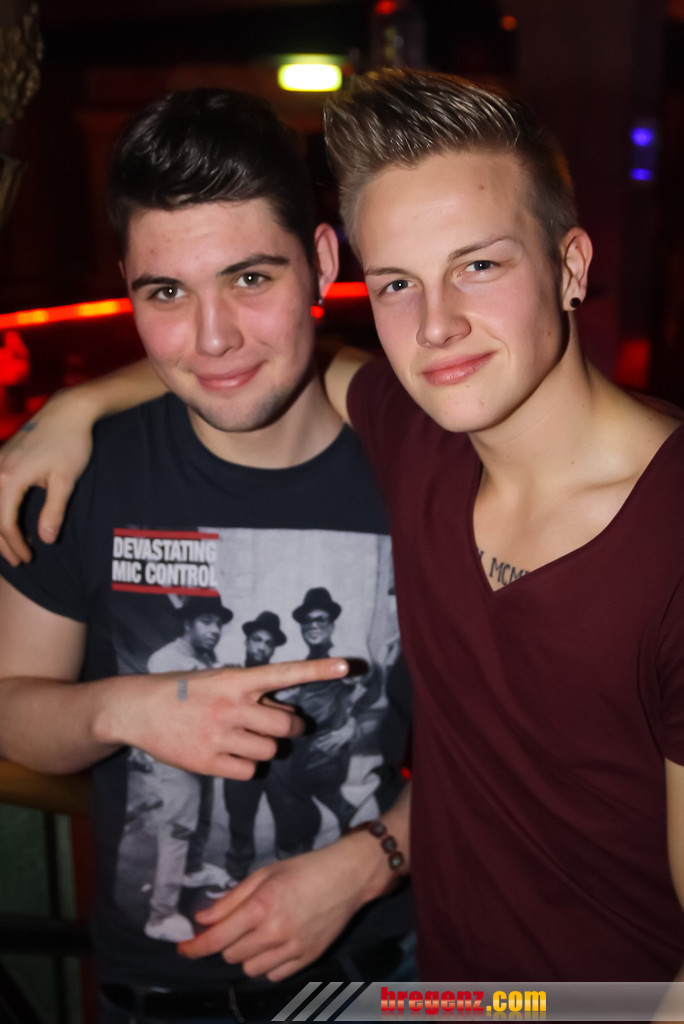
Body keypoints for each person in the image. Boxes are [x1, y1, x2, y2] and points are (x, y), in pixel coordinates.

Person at [5, 66, 682, 987]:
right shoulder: (418, 437)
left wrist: (372, 861)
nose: (437, 325)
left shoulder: (637, 525)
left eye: (479, 266)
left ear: (570, 265)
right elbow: (254, 357)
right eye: (399, 282)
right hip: (433, 996)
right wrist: (77, 407)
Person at [0, 87, 413, 1023]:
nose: (213, 337)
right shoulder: (79, 473)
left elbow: (524, 747)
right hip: (149, 996)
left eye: (250, 278)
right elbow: (12, 707)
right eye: (167, 293)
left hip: (381, 977)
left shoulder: (426, 470)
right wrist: (126, 708)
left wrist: (368, 864)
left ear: (320, 263)